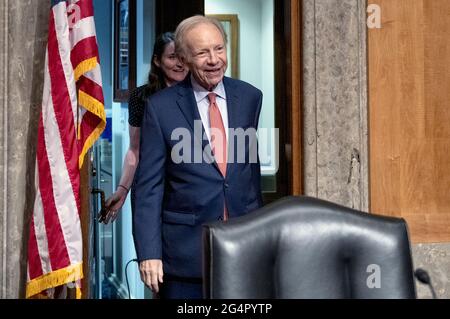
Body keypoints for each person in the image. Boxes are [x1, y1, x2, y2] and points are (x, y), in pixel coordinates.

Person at [133, 15, 264, 299]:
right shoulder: (160, 108)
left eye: (219, 49)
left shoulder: (250, 97)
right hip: (185, 257)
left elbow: (248, 173)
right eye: (202, 52)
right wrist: (149, 253)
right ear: (183, 58)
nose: (214, 59)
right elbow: (148, 188)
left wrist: (263, 235)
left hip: (244, 249)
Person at [100, 32, 188, 224]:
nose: (180, 64)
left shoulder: (198, 97)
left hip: (186, 190)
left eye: (183, 57)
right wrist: (122, 190)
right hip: (150, 188)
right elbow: (135, 149)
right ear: (157, 61)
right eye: (172, 57)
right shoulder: (141, 97)